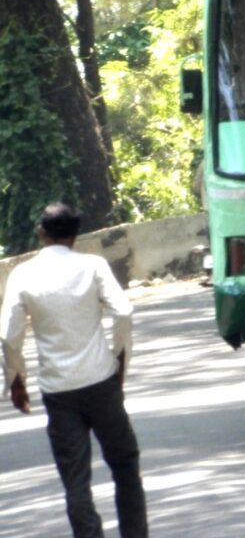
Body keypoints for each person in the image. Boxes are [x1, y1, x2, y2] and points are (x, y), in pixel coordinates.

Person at [0, 203, 148, 538]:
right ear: (76, 234)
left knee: (75, 480)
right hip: (101, 380)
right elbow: (123, 312)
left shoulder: (23, 274)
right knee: (125, 464)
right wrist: (120, 358)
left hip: (58, 390)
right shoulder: (92, 265)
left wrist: (16, 380)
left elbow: (9, 335)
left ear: (41, 231)